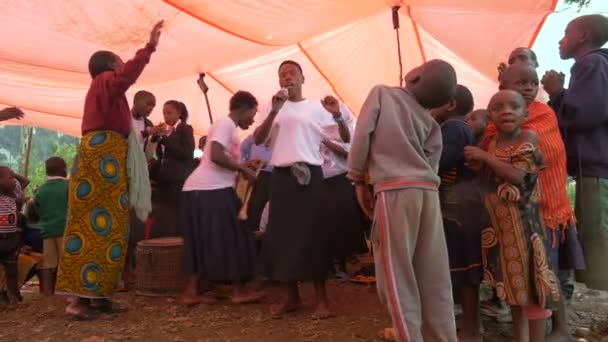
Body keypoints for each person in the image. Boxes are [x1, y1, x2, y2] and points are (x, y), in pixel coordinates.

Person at [55, 20, 163, 320]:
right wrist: (149, 48)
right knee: (94, 227)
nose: (121, 67)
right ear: (110, 65)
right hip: (101, 159)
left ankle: (99, 296)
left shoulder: (107, 93)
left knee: (111, 227)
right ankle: (79, 301)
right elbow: (125, 75)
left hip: (108, 159)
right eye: (119, 62)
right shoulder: (105, 80)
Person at [348, 59, 458, 342]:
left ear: (414, 75)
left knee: (397, 276)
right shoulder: (430, 121)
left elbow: (362, 135)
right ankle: (442, 337)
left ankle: (408, 336)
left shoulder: (382, 94)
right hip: (428, 195)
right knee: (433, 274)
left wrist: (358, 176)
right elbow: (433, 159)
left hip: (395, 192)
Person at [487, 64, 586, 340]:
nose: (529, 87)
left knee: (549, 273)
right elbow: (491, 146)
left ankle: (560, 328)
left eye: (532, 82)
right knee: (526, 278)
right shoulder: (496, 125)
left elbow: (545, 153)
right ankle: (528, 332)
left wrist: (497, 155)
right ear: (502, 86)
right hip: (514, 217)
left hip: (547, 209)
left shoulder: (543, 115)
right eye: (520, 82)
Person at [254, 60, 350, 319]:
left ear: (302, 78)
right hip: (282, 177)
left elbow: (346, 138)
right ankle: (291, 298)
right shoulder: (273, 107)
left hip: (311, 176)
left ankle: (322, 301)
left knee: (313, 233)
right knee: (281, 235)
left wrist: (338, 115)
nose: (287, 77)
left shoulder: (317, 107)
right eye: (282, 74)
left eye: (291, 73)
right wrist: (274, 111)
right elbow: (258, 140)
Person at [465, 90, 561, 342]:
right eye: (498, 107)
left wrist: (485, 158)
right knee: (514, 291)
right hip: (504, 233)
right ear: (491, 117)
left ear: (525, 114)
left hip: (526, 232)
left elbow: (519, 176)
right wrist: (481, 164)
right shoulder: (493, 142)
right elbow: (491, 176)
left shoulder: (528, 137)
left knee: (533, 292)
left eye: (513, 106)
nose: (506, 110)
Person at [541, 14, 608, 292]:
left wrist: (557, 93)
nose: (560, 40)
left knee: (599, 242)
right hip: (594, 170)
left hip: (597, 170)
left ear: (583, 36)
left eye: (566, 33)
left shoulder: (591, 63)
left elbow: (582, 114)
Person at [178, 90, 261, 305]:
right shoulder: (226, 124)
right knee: (236, 236)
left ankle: (191, 292)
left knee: (199, 239)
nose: (253, 120)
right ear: (243, 109)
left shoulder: (226, 126)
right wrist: (243, 169)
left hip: (197, 190)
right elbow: (215, 155)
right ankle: (238, 291)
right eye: (253, 114)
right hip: (210, 189)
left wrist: (241, 169)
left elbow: (220, 158)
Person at [431, 84, 484, 342]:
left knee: (465, 268)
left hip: (458, 209)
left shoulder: (453, 129)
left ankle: (471, 330)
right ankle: (469, 325)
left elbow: (437, 163)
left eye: (433, 103)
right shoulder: (457, 128)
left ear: (450, 104)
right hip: (459, 207)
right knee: (462, 268)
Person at [320, 102, 369, 280]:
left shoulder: (347, 132)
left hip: (339, 179)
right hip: (321, 180)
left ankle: (341, 266)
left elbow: (349, 154)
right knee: (326, 225)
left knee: (341, 224)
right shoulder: (316, 131)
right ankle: (330, 266)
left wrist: (325, 140)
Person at [151, 100, 195, 238]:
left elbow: (187, 153)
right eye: (164, 113)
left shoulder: (185, 129)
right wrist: (156, 137)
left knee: (174, 215)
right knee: (162, 214)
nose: (166, 116)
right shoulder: (168, 131)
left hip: (178, 179)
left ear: (179, 113)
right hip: (164, 179)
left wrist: (165, 139)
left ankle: (173, 243)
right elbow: (162, 154)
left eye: (169, 113)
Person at [34, 157, 69, 296]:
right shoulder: (68, 186)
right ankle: (66, 292)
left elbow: (36, 208)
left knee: (48, 264)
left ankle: (48, 293)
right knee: (66, 262)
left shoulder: (41, 190)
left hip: (47, 231)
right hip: (64, 229)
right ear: (63, 170)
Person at [239, 134, 273, 234]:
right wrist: (246, 165)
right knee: (248, 205)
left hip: (271, 176)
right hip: (252, 173)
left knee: (261, 210)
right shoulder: (255, 136)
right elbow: (241, 150)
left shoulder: (284, 137)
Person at [0, 166, 21, 306]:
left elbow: (25, 181)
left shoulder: (13, 196)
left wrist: (15, 175)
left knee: (12, 270)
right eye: (10, 178)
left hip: (11, 239)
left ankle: (13, 296)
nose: (14, 181)